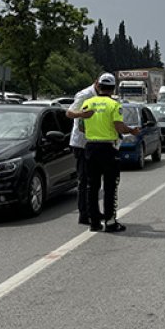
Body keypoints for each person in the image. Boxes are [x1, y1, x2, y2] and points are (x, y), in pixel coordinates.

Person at [73, 73, 140, 233]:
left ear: (99, 86)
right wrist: (131, 130)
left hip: (90, 147)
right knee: (110, 186)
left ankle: (94, 222)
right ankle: (110, 222)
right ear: (113, 88)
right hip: (108, 148)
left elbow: (81, 127)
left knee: (92, 186)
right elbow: (118, 126)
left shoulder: (88, 103)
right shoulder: (114, 105)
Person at [65, 75, 103, 225]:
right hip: (82, 143)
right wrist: (83, 114)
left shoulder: (101, 96)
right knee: (84, 180)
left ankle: (93, 210)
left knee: (94, 180)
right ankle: (84, 213)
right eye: (101, 85)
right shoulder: (85, 95)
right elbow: (69, 113)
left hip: (95, 142)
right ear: (95, 83)